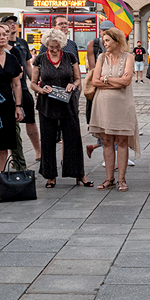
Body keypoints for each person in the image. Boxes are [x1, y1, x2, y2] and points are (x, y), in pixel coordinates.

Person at [33, 28, 90, 188]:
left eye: (57, 46)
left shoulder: (70, 57)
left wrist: (73, 85)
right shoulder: (40, 59)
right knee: (48, 139)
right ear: (46, 45)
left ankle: (79, 173)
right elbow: (33, 83)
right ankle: (50, 175)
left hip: (67, 102)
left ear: (62, 44)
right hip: (47, 103)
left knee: (73, 138)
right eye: (51, 47)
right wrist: (41, 90)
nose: (54, 50)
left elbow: (78, 79)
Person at [87, 27, 139, 191]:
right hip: (103, 106)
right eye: (104, 40)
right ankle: (109, 178)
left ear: (117, 41)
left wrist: (106, 79)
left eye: (108, 40)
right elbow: (95, 81)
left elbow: (126, 81)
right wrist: (116, 81)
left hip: (122, 106)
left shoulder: (128, 57)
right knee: (107, 141)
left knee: (122, 141)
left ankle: (121, 179)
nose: (105, 43)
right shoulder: (101, 58)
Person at [0, 23, 26, 172]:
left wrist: (18, 106)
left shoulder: (12, 58)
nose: (2, 37)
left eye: (4, 34)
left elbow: (16, 84)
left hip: (7, 102)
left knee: (4, 143)